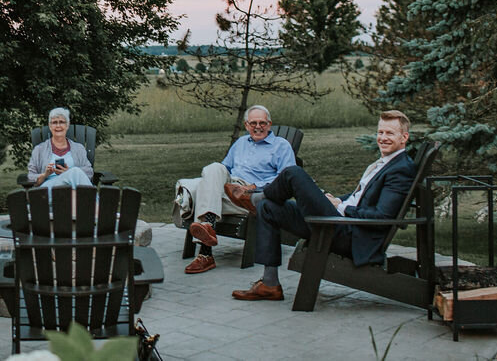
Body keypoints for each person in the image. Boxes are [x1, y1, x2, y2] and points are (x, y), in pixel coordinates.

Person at [231, 110, 416, 301]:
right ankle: (269, 284)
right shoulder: (387, 163)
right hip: (340, 223)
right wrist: (337, 200)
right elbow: (360, 197)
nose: (383, 138)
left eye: (389, 133)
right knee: (269, 208)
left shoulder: (401, 170)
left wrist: (341, 207)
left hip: (349, 235)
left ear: (404, 137)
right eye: (380, 132)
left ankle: (255, 197)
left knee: (293, 173)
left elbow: (382, 217)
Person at [178, 105, 296, 274]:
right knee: (213, 168)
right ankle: (207, 225)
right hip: (228, 191)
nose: (258, 127)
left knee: (194, 192)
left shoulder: (281, 145)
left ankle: (205, 253)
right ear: (247, 125)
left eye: (262, 123)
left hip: (250, 197)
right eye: (253, 123)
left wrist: (255, 186)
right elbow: (223, 168)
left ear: (269, 124)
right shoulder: (240, 143)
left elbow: (287, 176)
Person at [26, 108, 94, 190]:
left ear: (67, 125)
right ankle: (95, 201)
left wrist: (68, 172)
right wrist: (45, 175)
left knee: (75, 172)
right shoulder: (39, 150)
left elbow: (89, 172)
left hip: (73, 191)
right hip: (48, 191)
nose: (58, 126)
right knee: (75, 171)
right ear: (50, 126)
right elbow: (31, 177)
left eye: (61, 122)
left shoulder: (79, 149)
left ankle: (91, 201)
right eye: (54, 122)